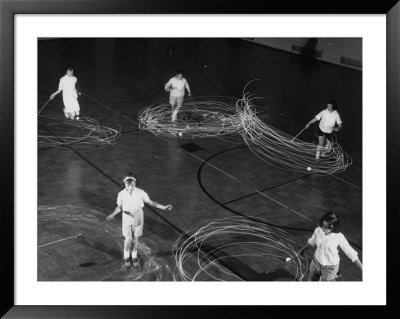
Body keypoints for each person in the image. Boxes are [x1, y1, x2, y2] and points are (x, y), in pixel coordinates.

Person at [106, 173, 173, 268]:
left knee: (136, 238)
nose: (130, 187)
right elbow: (119, 207)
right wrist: (112, 214)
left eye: (132, 185)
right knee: (128, 239)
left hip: (138, 216)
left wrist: (164, 207)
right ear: (124, 184)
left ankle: (134, 257)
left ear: (135, 184)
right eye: (127, 185)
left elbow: (151, 202)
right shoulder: (121, 194)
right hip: (126, 217)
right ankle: (126, 257)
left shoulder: (141, 192)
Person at [297, 212, 362, 281]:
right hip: (316, 262)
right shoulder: (318, 230)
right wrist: (302, 250)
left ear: (333, 226)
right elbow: (311, 242)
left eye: (327, 227)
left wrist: (361, 268)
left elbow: (351, 253)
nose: (324, 228)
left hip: (330, 267)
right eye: (323, 225)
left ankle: (334, 275)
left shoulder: (339, 237)